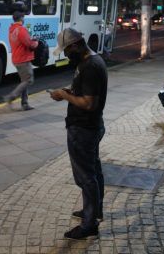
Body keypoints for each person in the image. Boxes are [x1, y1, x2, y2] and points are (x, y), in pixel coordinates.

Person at [49, 28, 108, 240]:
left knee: (86, 177)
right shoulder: (90, 61)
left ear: (75, 45)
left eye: (66, 50)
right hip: (89, 127)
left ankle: (89, 224)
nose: (65, 55)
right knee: (93, 171)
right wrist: (70, 91)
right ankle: (94, 211)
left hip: (84, 128)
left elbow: (89, 103)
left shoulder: (90, 66)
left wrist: (65, 95)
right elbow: (84, 93)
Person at [4, 10, 38, 111]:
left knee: (24, 81)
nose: (24, 19)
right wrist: (36, 42)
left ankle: (25, 104)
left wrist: (31, 39)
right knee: (29, 80)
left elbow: (22, 42)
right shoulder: (21, 30)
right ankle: (11, 97)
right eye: (23, 18)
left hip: (16, 58)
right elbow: (30, 44)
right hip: (23, 59)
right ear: (21, 18)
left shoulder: (12, 30)